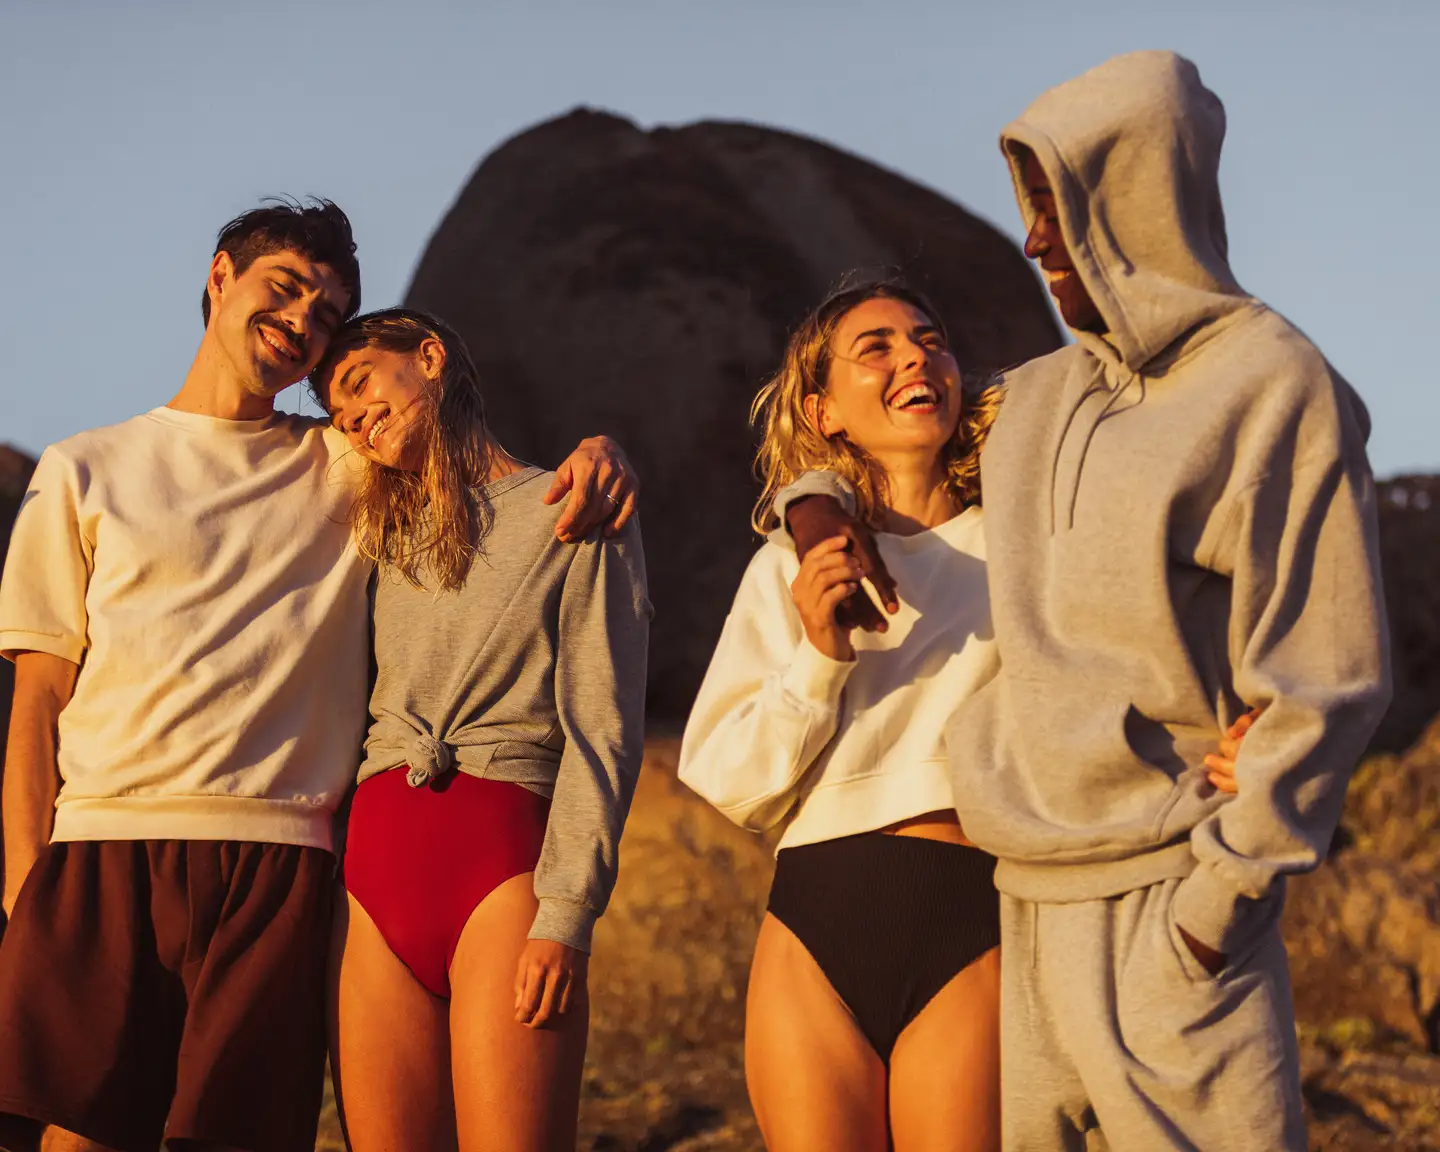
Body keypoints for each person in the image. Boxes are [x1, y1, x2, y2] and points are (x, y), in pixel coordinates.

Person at [781, 51, 1390, 1151]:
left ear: (1137, 194)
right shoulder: (1034, 398)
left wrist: (1219, 908)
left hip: (1179, 913)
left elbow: (1331, 676)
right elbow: (867, 437)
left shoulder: (1273, 387)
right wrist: (816, 510)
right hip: (1024, 915)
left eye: (1053, 204)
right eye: (1027, 208)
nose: (1031, 239)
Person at [0, 201, 636, 1152]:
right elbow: (39, 700)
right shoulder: (84, 470)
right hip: (103, 849)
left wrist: (604, 450)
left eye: (329, 314)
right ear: (221, 275)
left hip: (281, 863)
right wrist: (26, 895)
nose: (302, 319)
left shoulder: (343, 461)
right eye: (285, 288)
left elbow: (468, 473)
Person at [678, 279, 1247, 1152]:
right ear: (822, 408)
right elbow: (727, 781)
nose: (914, 357)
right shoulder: (784, 570)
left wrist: (1231, 735)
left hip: (974, 913)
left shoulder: (1025, 552)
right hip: (812, 922)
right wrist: (819, 657)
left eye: (930, 340)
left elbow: (1130, 674)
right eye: (877, 348)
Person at [309, 308, 650, 1152]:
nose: (353, 418)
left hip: (501, 872)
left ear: (429, 358)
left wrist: (566, 914)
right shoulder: (369, 537)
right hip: (371, 884)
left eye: (360, 384)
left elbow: (602, 728)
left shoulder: (571, 510)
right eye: (338, 414)